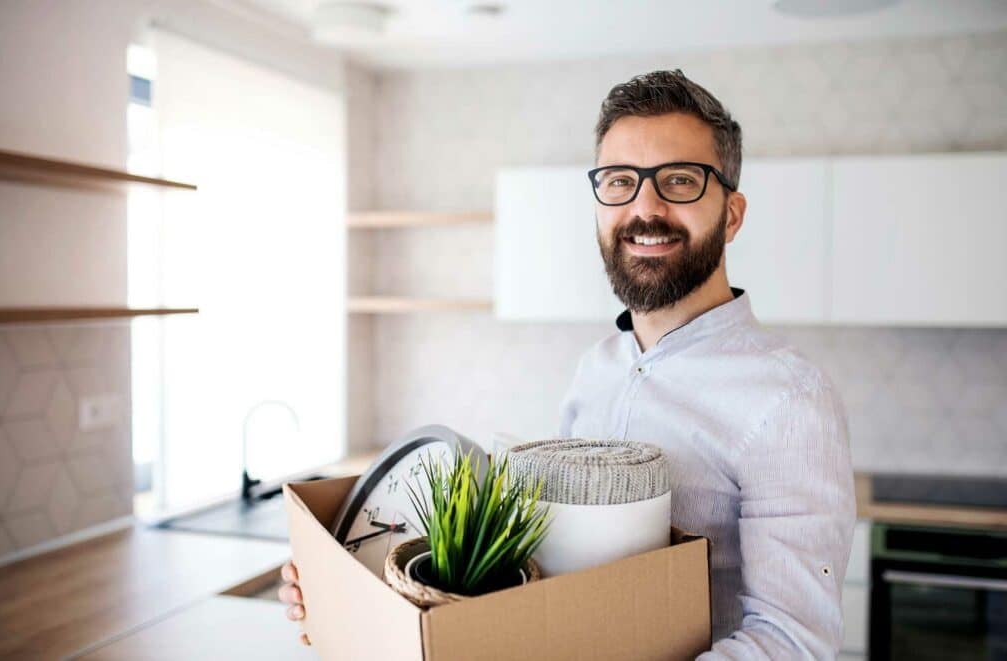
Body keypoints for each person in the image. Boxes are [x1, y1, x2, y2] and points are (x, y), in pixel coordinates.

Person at [280, 69, 856, 659]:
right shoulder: (597, 370)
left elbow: (794, 642)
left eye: (680, 180)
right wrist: (348, 592)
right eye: (620, 181)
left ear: (731, 215)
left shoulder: (788, 398)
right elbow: (551, 570)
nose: (645, 208)